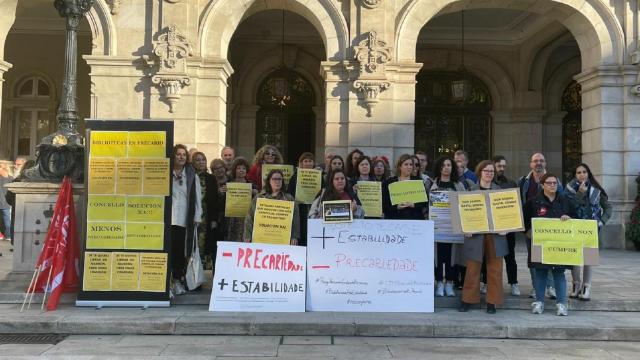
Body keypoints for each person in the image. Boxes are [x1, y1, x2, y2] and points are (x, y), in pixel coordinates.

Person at [459, 160, 509, 314]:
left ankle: (492, 302)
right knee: (473, 268)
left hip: (495, 235)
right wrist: (465, 229)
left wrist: (506, 228)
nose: (489, 174)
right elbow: (464, 213)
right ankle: (467, 300)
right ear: (480, 172)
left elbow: (507, 215)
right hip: (476, 235)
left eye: (492, 171)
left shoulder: (500, 191)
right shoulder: (470, 191)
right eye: (486, 171)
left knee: (495, 269)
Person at [524, 173, 575, 316]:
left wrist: (569, 218)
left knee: (559, 273)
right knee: (540, 272)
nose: (552, 185)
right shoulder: (533, 202)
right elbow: (525, 222)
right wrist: (528, 232)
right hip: (540, 244)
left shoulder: (565, 201)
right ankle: (539, 302)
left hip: (560, 244)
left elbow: (576, 219)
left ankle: (561, 304)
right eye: (549, 183)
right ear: (542, 185)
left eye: (555, 183)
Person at [518, 153, 564, 299]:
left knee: (550, 256)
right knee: (534, 258)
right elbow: (520, 204)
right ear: (531, 164)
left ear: (546, 164)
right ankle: (536, 287)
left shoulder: (554, 181)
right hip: (531, 227)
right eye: (535, 161)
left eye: (541, 161)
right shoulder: (523, 181)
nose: (538, 163)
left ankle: (550, 287)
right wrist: (525, 227)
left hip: (550, 226)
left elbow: (561, 200)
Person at [565, 163, 612, 301]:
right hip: (574, 226)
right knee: (575, 258)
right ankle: (576, 285)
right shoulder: (569, 189)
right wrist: (580, 193)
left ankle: (586, 287)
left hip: (591, 228)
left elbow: (608, 208)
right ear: (575, 175)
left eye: (584, 172)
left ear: (588, 173)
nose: (582, 174)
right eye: (578, 172)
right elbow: (570, 206)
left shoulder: (596, 189)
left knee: (588, 258)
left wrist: (602, 221)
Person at [426, 156, 467, 297]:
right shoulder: (430, 185)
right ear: (439, 167)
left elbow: (465, 205)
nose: (446, 167)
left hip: (453, 228)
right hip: (436, 227)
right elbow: (425, 206)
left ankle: (449, 282)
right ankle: (439, 282)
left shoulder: (459, 186)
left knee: (451, 257)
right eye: (443, 165)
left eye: (449, 165)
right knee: (438, 256)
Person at [170, 144, 202, 296]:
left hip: (184, 220)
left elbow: (197, 199)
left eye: (184, 154)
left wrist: (197, 216)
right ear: (173, 156)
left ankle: (177, 280)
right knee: (168, 251)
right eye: (178, 154)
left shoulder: (191, 175)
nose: (181, 156)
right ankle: (166, 284)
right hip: (168, 219)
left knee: (180, 252)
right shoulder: (165, 172)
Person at [244, 169, 300, 245]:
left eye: (279, 179)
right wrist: (248, 236)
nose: (277, 181)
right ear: (269, 181)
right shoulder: (259, 197)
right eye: (274, 179)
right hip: (261, 239)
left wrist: (294, 236)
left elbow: (295, 219)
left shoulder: (289, 199)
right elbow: (250, 218)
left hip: (282, 240)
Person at [493, 155, 520, 297]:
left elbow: (516, 205)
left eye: (504, 166)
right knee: (489, 256)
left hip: (508, 228)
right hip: (491, 227)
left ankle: (513, 283)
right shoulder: (487, 182)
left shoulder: (511, 183)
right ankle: (486, 282)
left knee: (510, 256)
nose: (502, 169)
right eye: (499, 166)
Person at [191, 152, 221, 271]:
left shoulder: (210, 178)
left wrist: (214, 219)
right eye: (198, 160)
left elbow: (214, 201)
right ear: (193, 162)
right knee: (191, 244)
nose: (201, 162)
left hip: (206, 217)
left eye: (203, 159)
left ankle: (199, 274)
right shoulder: (189, 176)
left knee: (202, 245)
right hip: (191, 216)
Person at [225, 157, 258, 242]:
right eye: (238, 168)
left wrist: (256, 193)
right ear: (234, 170)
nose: (241, 170)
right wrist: (222, 192)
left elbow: (259, 201)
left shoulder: (252, 185)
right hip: (231, 220)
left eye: (244, 168)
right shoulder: (228, 184)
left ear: (247, 170)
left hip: (246, 219)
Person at [288, 152, 317, 246]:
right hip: (300, 209)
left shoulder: (319, 176)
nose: (308, 163)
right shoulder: (295, 177)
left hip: (314, 209)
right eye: (305, 161)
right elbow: (290, 193)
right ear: (301, 163)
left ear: (314, 163)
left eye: (310, 161)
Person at [0, 162, 13, 241]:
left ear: (4, 168)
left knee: (7, 221)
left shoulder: (11, 179)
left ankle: (8, 235)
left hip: (6, 204)